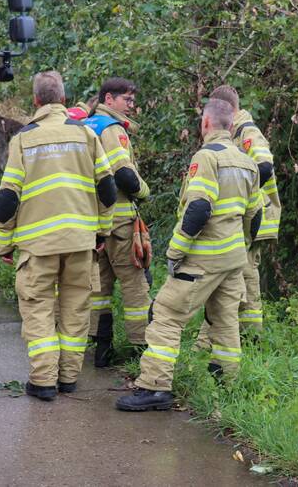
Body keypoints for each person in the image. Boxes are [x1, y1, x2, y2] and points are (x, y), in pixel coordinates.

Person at [116, 99, 262, 411]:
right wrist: (243, 246)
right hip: (233, 259)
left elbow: (199, 207)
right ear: (232, 125)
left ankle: (155, 387)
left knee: (166, 315)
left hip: (202, 258)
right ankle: (228, 388)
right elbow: (256, 215)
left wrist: (175, 250)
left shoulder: (207, 157)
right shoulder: (247, 161)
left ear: (206, 124)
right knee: (225, 322)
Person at [0, 71, 117, 401]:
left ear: (35, 101)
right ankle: (69, 378)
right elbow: (107, 188)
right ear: (63, 99)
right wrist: (102, 231)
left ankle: (43, 381)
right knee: (76, 311)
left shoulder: (23, 139)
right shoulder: (86, 135)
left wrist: (4, 242)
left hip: (38, 247)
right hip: (80, 242)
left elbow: (7, 199)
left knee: (38, 311)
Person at [78, 78, 152, 367]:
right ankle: (139, 351)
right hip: (119, 223)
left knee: (100, 288)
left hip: (93, 223)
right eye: (127, 100)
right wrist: (145, 193)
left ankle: (102, 350)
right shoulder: (111, 130)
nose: (131, 106)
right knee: (135, 285)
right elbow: (125, 176)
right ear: (109, 99)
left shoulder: (85, 126)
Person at [200, 85, 280, 335]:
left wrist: (244, 198)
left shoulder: (247, 130)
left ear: (230, 109)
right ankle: (235, 332)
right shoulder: (235, 131)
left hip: (254, 217)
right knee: (238, 276)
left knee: (245, 275)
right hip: (245, 217)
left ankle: (250, 335)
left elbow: (264, 166)